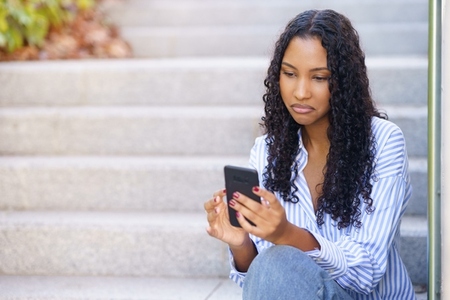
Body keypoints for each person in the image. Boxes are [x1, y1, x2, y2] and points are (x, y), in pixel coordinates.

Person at [204, 9, 415, 300]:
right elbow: (266, 283)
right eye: (289, 74)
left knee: (277, 261)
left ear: (343, 82)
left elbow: (367, 270)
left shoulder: (383, 141)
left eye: (319, 77)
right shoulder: (268, 151)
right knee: (272, 264)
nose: (300, 92)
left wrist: (286, 234)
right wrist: (241, 243)